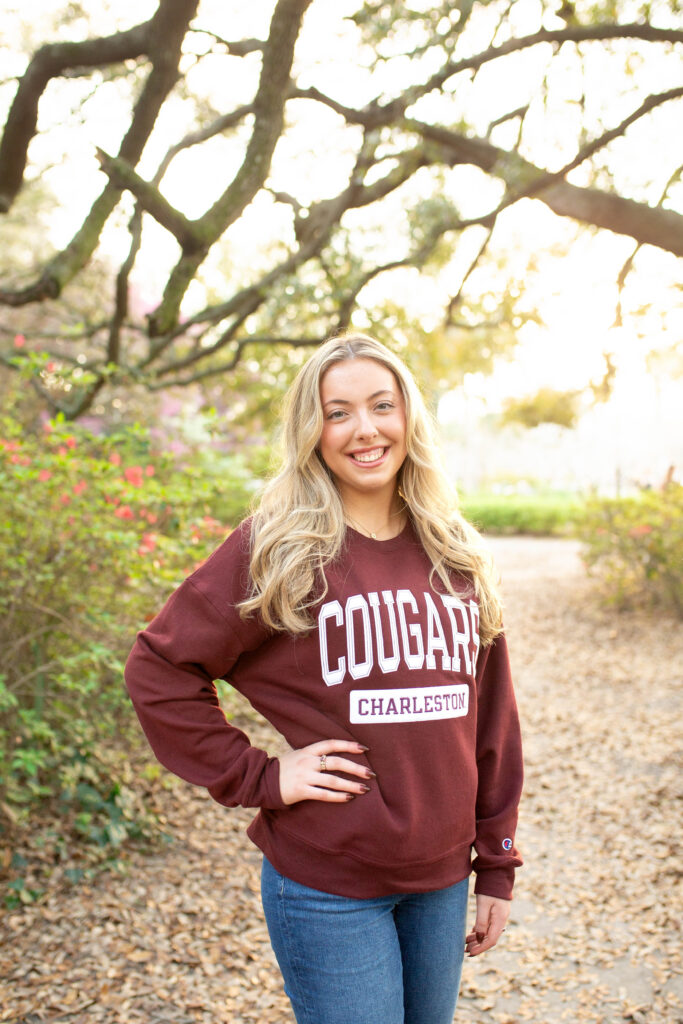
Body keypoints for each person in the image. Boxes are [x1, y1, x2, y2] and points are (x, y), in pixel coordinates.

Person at [124, 333, 523, 1024]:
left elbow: (490, 723)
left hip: (440, 880)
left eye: (380, 405)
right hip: (328, 883)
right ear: (312, 431)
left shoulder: (455, 552)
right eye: (337, 412)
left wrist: (496, 865)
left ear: (408, 418)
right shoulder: (276, 548)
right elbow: (159, 666)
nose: (363, 429)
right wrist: (260, 777)